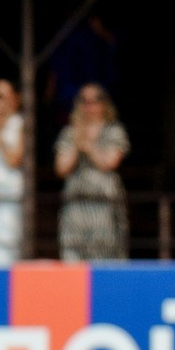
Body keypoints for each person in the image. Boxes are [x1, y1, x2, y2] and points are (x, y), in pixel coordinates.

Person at [54, 82, 130, 261]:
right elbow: (61, 168)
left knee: (105, 257)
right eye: (84, 101)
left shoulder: (114, 130)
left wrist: (88, 146)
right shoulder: (69, 133)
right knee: (72, 257)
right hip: (75, 207)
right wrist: (76, 143)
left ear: (104, 104)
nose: (89, 106)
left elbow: (110, 162)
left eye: (95, 101)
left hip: (104, 205)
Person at [0, 72, 25, 261]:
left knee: (7, 253)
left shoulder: (19, 124)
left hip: (8, 201)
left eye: (2, 96)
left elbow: (14, 159)